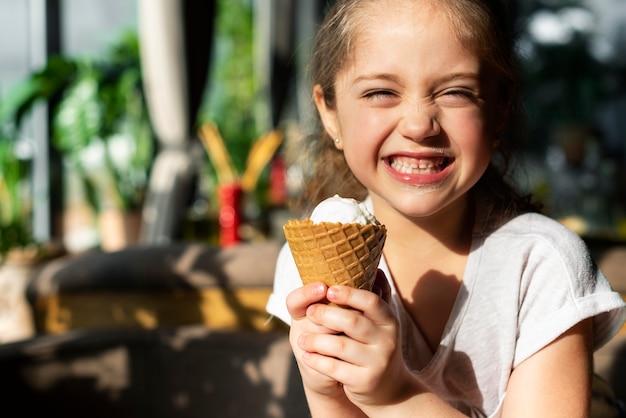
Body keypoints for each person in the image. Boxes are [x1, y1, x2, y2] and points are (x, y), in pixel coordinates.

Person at [265, 0, 626, 416]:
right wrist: (327, 392)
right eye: (381, 91)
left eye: (454, 91)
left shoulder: (541, 266)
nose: (419, 124)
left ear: (499, 108)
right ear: (329, 112)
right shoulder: (305, 262)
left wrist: (394, 395)